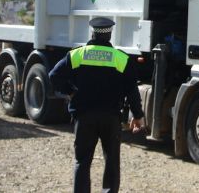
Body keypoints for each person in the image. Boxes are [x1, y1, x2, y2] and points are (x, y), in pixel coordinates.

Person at [49, 17, 145, 193]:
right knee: (112, 162)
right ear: (109, 36)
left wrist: (70, 91)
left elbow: (54, 76)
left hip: (84, 117)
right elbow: (132, 91)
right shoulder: (121, 59)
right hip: (111, 118)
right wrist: (137, 116)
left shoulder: (77, 55)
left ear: (92, 33)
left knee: (82, 161)